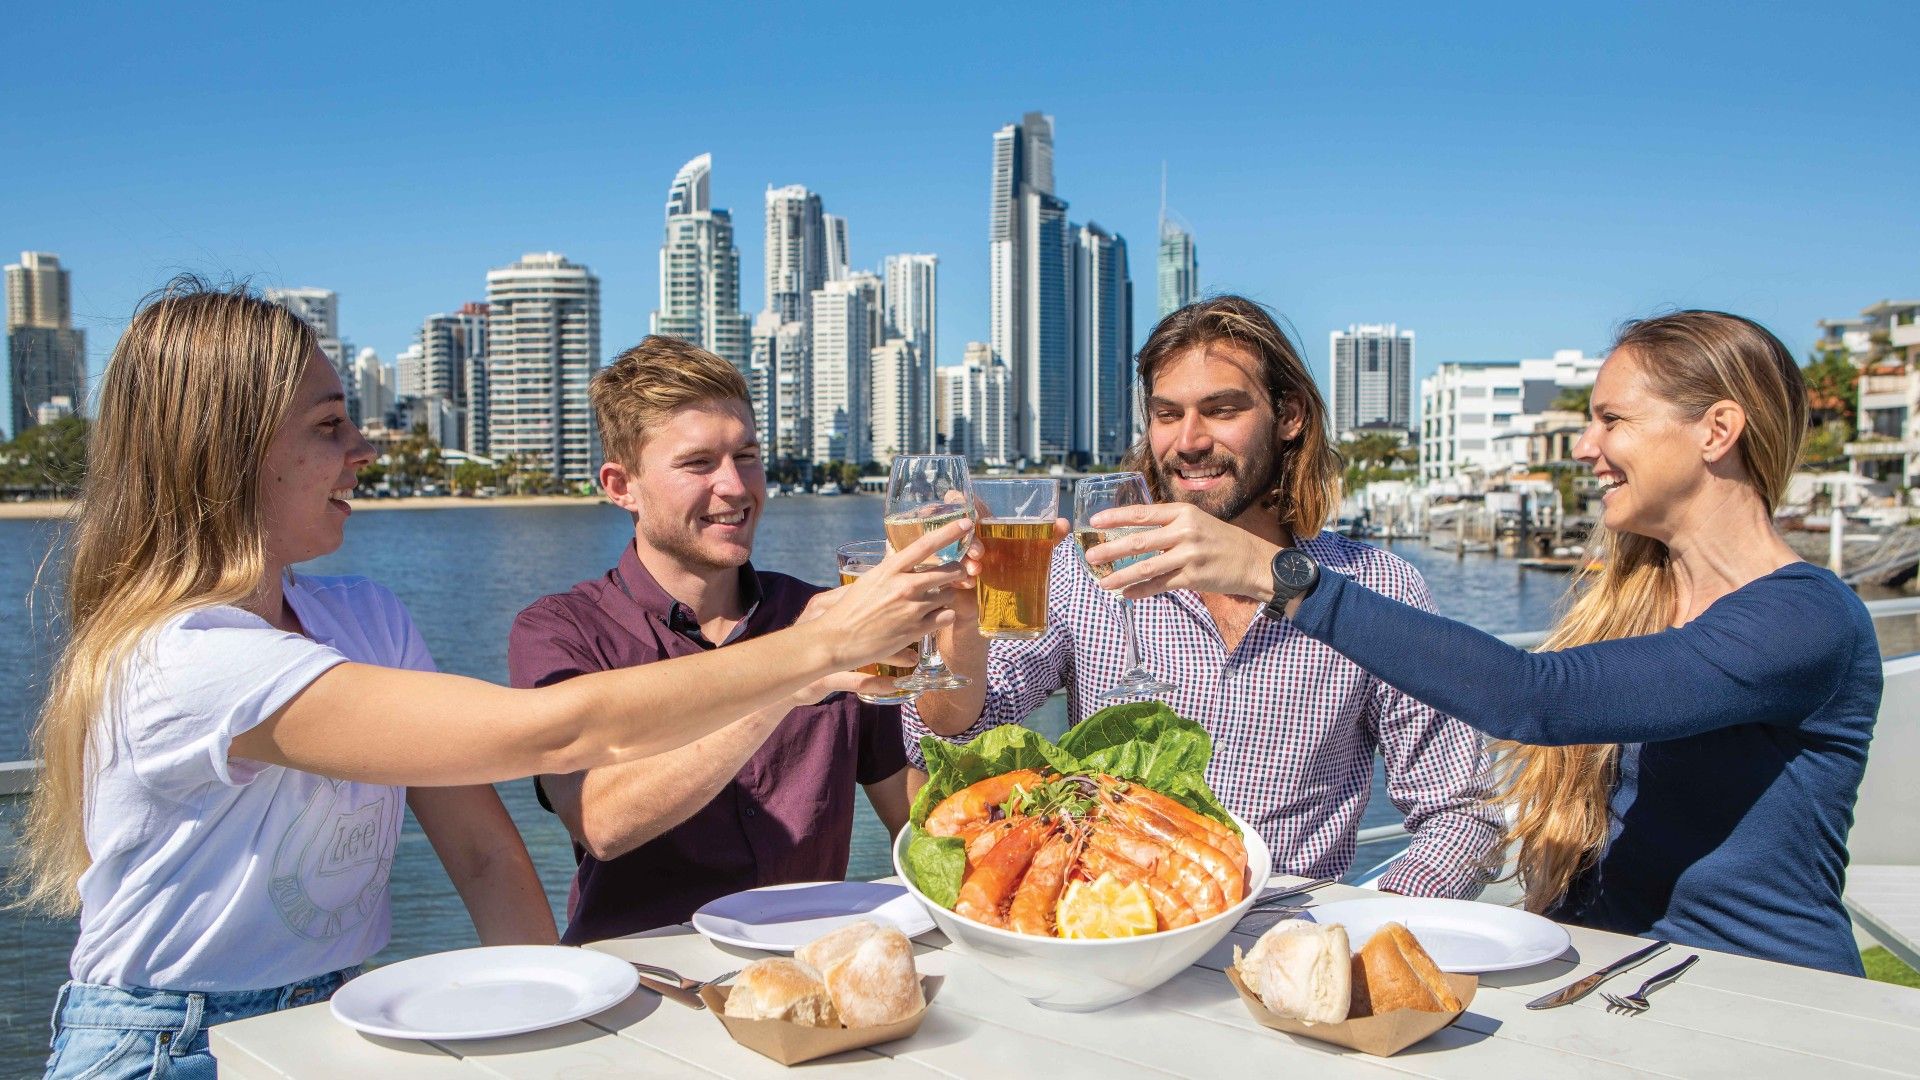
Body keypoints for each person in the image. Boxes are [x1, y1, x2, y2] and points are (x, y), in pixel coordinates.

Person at [27, 282, 971, 1080]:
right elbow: (559, 735)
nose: (364, 449)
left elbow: (483, 854)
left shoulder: (363, 617)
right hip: (166, 1041)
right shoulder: (185, 658)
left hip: (337, 1011)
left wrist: (565, 1032)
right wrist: (816, 651)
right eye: (328, 426)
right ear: (227, 457)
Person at [1089, 309, 1880, 975]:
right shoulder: (1640, 601)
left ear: (1717, 430)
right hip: (1615, 973)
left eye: (1610, 419)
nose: (1583, 446)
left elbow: (1535, 699)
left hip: (1759, 994)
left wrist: (1283, 578)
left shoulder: (1802, 620)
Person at [909, 296, 1500, 897]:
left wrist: (1352, 933)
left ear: (1289, 414)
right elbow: (951, 731)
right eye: (1167, 415)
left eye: (1221, 410)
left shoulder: (1377, 587)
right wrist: (960, 614)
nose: (1188, 441)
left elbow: (1464, 813)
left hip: (1284, 938)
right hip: (1117, 936)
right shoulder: (1081, 571)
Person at [509, 337, 917, 940]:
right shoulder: (560, 631)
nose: (735, 486)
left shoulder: (822, 612)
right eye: (699, 464)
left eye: (747, 456)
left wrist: (959, 633)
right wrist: (794, 672)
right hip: (642, 985)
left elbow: (917, 820)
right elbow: (600, 820)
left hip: (812, 968)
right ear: (622, 486)